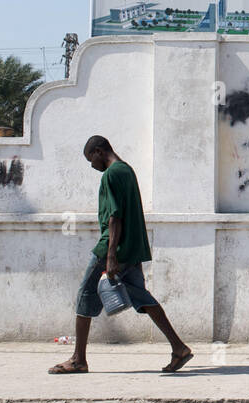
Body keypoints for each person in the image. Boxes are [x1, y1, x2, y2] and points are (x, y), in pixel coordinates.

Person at [49, 135, 193, 374]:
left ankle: (78, 359)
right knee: (142, 297)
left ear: (98, 152)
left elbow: (114, 217)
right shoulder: (127, 170)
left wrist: (111, 256)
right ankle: (179, 348)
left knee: (85, 293)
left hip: (112, 248)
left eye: (90, 160)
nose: (91, 166)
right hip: (132, 249)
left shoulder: (111, 174)